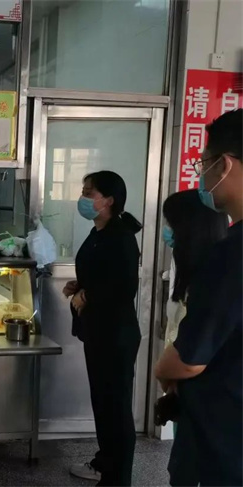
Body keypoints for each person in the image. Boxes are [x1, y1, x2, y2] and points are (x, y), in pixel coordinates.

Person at [155, 109, 242, 486]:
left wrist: (162, 370)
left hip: (222, 441)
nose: (201, 174)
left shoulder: (232, 254)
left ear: (224, 164)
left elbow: (188, 361)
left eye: (203, 164)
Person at [63, 171, 141, 486]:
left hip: (115, 336)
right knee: (104, 405)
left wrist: (88, 295)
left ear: (108, 200)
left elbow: (124, 287)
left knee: (116, 410)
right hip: (97, 332)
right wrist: (79, 285)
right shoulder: (99, 231)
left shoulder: (121, 236)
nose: (82, 198)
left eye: (88, 193)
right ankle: (104, 465)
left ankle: (118, 479)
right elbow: (103, 273)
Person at [161, 189, 228, 487]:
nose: (167, 232)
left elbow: (196, 352)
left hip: (205, 398)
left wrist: (164, 371)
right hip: (184, 392)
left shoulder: (214, 279)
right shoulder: (187, 269)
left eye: (171, 225)